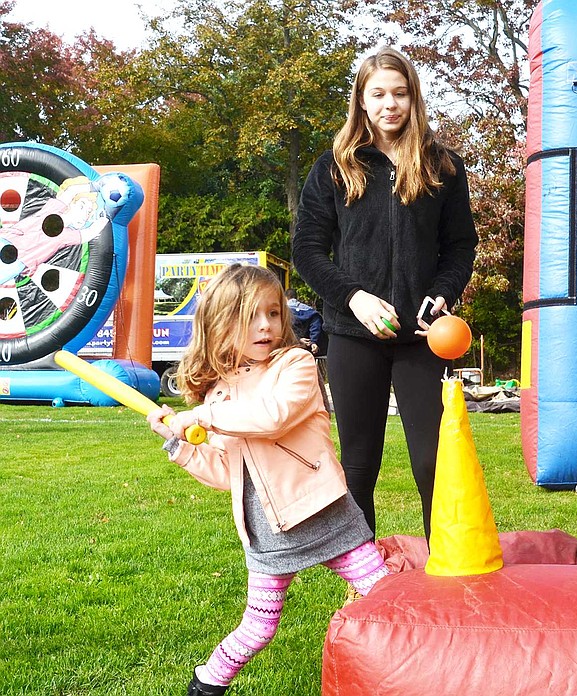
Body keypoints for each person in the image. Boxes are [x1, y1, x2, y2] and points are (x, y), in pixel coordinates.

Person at [147, 264, 389, 696]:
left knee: (382, 593)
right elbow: (227, 472)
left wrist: (201, 416)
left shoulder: (295, 365)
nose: (266, 325)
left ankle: (408, 668)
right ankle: (206, 683)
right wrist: (180, 444)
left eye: (274, 313)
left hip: (323, 512)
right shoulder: (218, 394)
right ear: (221, 324)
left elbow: (271, 418)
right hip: (266, 532)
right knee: (258, 626)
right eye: (251, 316)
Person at [292, 46, 478, 542]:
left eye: (399, 93)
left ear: (413, 97)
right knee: (357, 466)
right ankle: (363, 579)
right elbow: (307, 250)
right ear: (361, 100)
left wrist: (442, 293)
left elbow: (461, 246)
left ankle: (450, 567)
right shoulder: (333, 167)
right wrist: (352, 296)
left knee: (433, 464)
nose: (389, 103)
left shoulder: (443, 166)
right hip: (353, 335)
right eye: (378, 94)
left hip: (421, 339)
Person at [284, 287, 326, 356]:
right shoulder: (309, 310)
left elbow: (286, 329)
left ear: (285, 298)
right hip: (310, 348)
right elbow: (316, 323)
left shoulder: (284, 311)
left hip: (292, 348)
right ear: (296, 297)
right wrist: (313, 341)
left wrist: (298, 340)